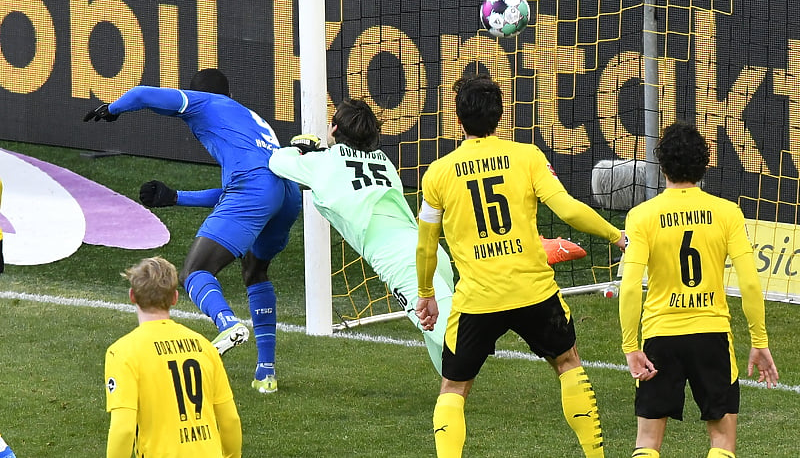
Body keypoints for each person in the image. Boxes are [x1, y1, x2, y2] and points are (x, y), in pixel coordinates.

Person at [414, 73, 626, 458]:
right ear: (501, 117)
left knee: (454, 388)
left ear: (457, 121)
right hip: (534, 292)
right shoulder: (527, 157)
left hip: (478, 300)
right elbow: (567, 209)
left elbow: (427, 244)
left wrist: (427, 293)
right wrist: (617, 235)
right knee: (567, 362)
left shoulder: (438, 174)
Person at [85, 68, 302, 394]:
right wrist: (176, 198)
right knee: (255, 271)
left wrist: (111, 110)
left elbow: (143, 93)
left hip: (257, 189)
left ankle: (228, 324)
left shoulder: (205, 103)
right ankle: (265, 373)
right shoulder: (249, 119)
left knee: (194, 272)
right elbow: (240, 191)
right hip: (287, 194)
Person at [618, 121, 779, 458]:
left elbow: (630, 286)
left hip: (661, 338)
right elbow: (749, 282)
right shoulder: (727, 213)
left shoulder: (642, 216)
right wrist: (759, 341)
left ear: (661, 166)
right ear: (705, 165)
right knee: (722, 442)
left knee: (647, 442)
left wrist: (631, 346)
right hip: (712, 337)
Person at [268, 97, 455, 375]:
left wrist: (301, 148)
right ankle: (452, 403)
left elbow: (277, 161)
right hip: (430, 251)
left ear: (333, 131)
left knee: (457, 340)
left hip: (401, 263)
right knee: (442, 344)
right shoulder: (385, 163)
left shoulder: (323, 163)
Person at [104, 256, 242, 458]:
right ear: (175, 298)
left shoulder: (123, 352)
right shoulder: (203, 346)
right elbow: (230, 420)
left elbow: (123, 429)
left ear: (132, 296)